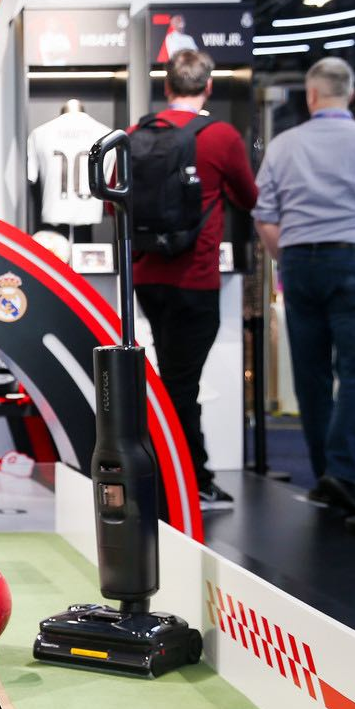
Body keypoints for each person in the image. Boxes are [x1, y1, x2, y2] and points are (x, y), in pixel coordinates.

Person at [253, 57, 355, 516]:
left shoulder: (283, 145)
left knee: (311, 376)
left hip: (300, 262)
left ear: (311, 95)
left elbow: (264, 217)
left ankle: (326, 473)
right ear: (351, 94)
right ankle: (340, 473)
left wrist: (289, 256)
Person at [131, 49, 257, 509]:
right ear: (208, 87)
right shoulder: (221, 136)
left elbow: (112, 203)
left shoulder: (136, 134)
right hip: (195, 278)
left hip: (147, 275)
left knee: (173, 379)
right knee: (182, 384)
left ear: (166, 87)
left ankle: (174, 476)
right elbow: (250, 196)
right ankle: (187, 482)